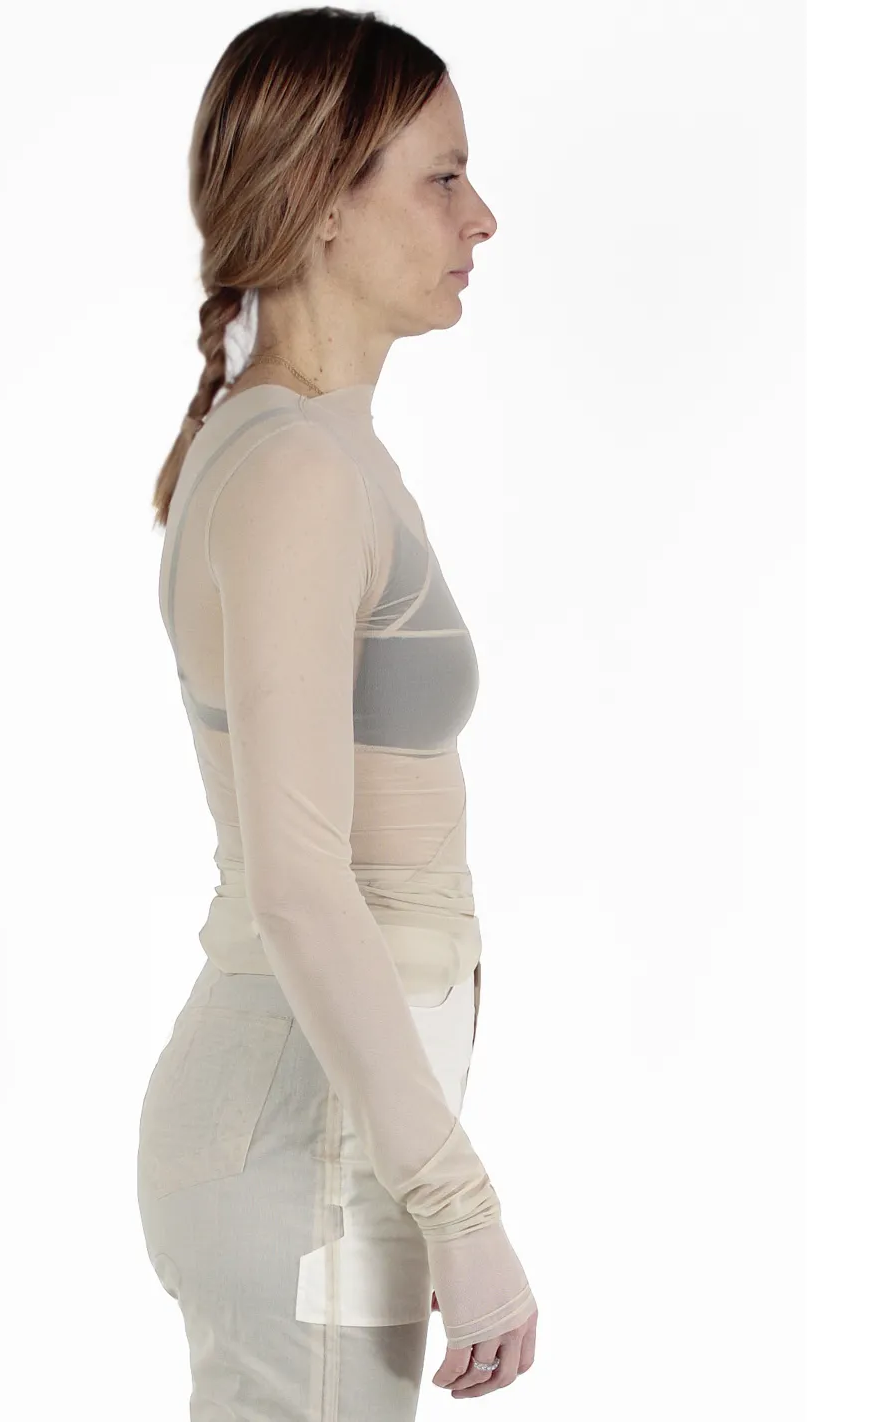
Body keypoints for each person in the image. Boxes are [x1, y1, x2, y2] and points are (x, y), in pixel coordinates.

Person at [137, 8, 538, 1415]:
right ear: (319, 200)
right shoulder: (295, 470)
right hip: (302, 1141)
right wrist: (458, 1204)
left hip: (322, 1127)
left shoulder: (309, 444)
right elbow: (304, 885)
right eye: (443, 177)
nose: (481, 217)